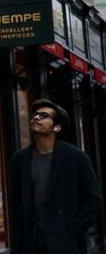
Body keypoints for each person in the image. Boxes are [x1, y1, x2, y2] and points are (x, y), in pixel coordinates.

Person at [7, 99, 102, 254]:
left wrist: (74, 229)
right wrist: (24, 225)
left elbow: (93, 198)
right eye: (35, 114)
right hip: (31, 244)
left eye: (44, 116)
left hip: (66, 244)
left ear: (56, 127)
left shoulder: (76, 157)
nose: (36, 117)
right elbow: (15, 200)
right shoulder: (19, 160)